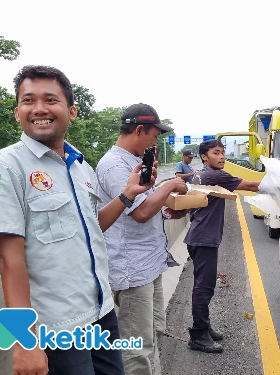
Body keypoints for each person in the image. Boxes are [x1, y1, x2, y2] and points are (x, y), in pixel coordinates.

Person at [0, 65, 158, 375]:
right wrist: (24, 342)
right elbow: (8, 261)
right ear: (18, 111)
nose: (40, 109)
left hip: (100, 313)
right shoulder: (4, 167)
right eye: (29, 100)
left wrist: (127, 194)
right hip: (56, 329)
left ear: (71, 111)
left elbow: (90, 228)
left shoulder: (80, 167)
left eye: (51, 100)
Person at [96, 103, 188, 375]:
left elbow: (147, 203)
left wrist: (163, 199)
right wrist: (170, 185)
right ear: (139, 130)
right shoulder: (114, 165)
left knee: (152, 335)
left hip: (149, 264)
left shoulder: (133, 163)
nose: (155, 142)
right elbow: (141, 213)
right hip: (132, 270)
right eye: (154, 135)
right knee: (136, 347)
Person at [183, 140, 260, 353]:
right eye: (216, 153)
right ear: (205, 157)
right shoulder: (214, 175)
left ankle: (204, 327)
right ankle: (198, 335)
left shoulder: (200, 173)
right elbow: (252, 186)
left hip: (199, 236)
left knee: (203, 286)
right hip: (204, 239)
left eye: (223, 153)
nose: (222, 157)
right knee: (204, 288)